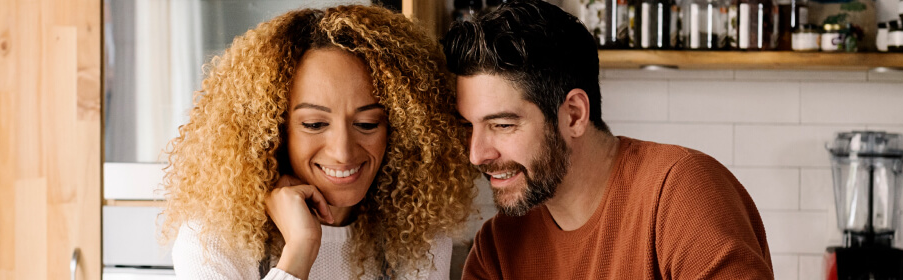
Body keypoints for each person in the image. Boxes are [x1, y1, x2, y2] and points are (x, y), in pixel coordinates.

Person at [441, 1, 774, 279]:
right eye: (468, 126)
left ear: (573, 114)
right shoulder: (498, 246)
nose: (477, 154)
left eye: (501, 125)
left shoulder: (680, 191)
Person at [160, 5, 476, 280]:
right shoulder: (212, 239)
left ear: (400, 130)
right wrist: (300, 250)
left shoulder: (419, 235)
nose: (342, 152)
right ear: (273, 131)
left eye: (367, 124)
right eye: (314, 124)